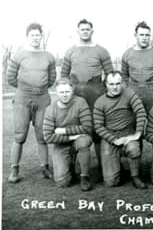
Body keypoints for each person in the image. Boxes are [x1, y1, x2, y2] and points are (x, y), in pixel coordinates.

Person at [61, 19, 114, 177]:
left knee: (98, 127)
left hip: (95, 93)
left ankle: (102, 164)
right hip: (76, 93)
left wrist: (104, 91)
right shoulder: (70, 51)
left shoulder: (101, 50)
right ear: (78, 31)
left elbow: (110, 74)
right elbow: (63, 76)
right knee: (75, 125)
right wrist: (67, 91)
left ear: (92, 31)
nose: (85, 31)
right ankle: (73, 164)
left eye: (87, 29)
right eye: (82, 29)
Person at [7, 22, 56, 183]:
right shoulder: (19, 55)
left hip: (42, 98)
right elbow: (11, 78)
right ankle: (14, 170)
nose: (35, 38)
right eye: (32, 35)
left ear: (41, 36)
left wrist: (39, 89)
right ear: (27, 37)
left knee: (43, 135)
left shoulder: (48, 56)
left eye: (37, 35)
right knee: (20, 134)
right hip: (22, 98)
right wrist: (26, 89)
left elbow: (52, 78)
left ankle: (44, 167)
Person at [93, 71, 147, 189]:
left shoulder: (130, 94)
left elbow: (141, 112)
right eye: (111, 84)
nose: (115, 87)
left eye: (118, 83)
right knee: (111, 182)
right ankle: (118, 169)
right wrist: (113, 140)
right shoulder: (100, 102)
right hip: (110, 136)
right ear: (106, 84)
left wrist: (137, 134)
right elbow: (98, 126)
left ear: (122, 83)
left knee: (133, 148)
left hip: (128, 134)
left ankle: (135, 176)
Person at [43, 78, 93, 191]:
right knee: (62, 182)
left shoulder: (81, 102)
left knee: (83, 141)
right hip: (61, 145)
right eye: (61, 92)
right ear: (56, 92)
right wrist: (71, 136)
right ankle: (70, 165)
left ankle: (84, 176)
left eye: (67, 91)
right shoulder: (50, 109)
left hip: (79, 140)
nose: (64, 95)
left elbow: (87, 127)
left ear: (72, 90)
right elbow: (48, 136)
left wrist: (64, 131)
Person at [121, 21, 153, 112]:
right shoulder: (127, 54)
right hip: (134, 93)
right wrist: (128, 91)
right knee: (135, 121)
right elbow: (124, 76)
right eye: (141, 35)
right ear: (135, 35)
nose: (144, 38)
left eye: (147, 35)